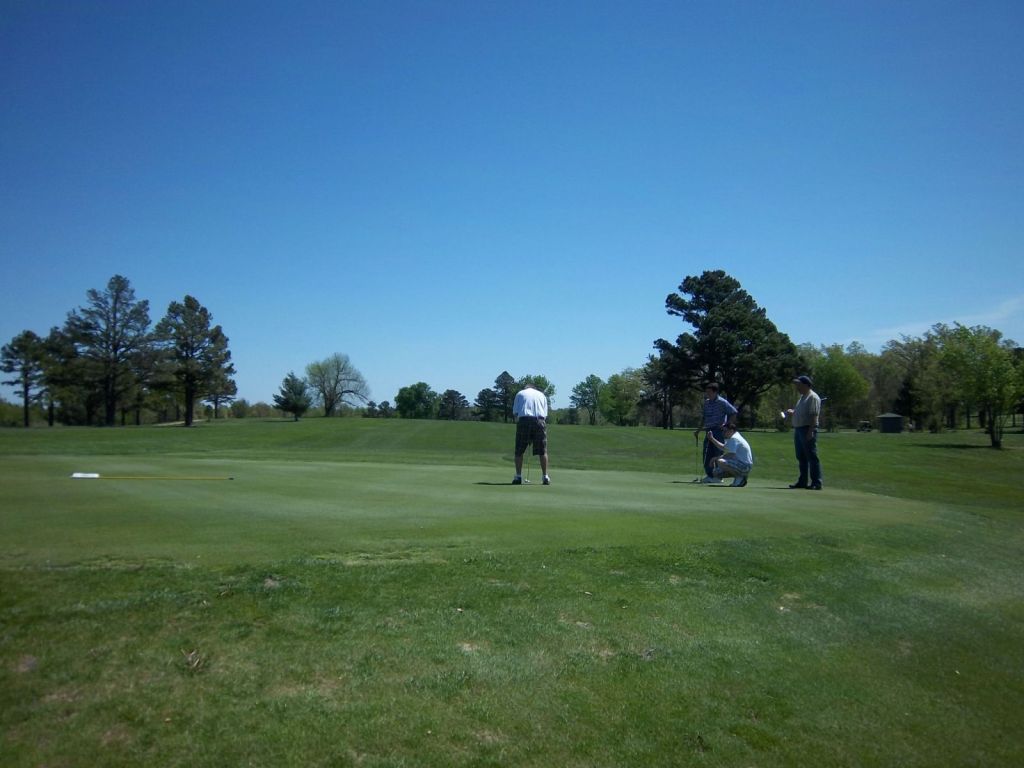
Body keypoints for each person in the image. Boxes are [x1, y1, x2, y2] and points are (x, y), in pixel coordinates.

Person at [693, 383, 738, 483]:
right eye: (706, 392)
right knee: (707, 453)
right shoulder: (707, 403)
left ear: (715, 392)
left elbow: (734, 412)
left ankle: (718, 476)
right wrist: (698, 430)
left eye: (709, 392)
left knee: (718, 453)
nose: (707, 394)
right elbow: (704, 418)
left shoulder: (722, 402)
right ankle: (710, 475)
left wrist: (726, 425)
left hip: (718, 431)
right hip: (708, 430)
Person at [786, 375, 822, 490]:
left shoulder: (813, 397)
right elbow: (802, 412)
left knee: (811, 456)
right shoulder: (803, 397)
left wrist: (810, 432)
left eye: (799, 384)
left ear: (806, 385)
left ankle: (816, 482)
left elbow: (814, 416)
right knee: (801, 457)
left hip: (807, 429)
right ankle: (803, 481)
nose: (797, 387)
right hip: (799, 429)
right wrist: (794, 412)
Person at [512, 383, 550, 485]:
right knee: (543, 451)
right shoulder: (542, 395)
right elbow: (545, 415)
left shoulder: (520, 393)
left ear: (526, 388)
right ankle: (545, 476)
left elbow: (515, 413)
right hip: (540, 421)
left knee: (519, 451)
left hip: (524, 420)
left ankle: (518, 476)